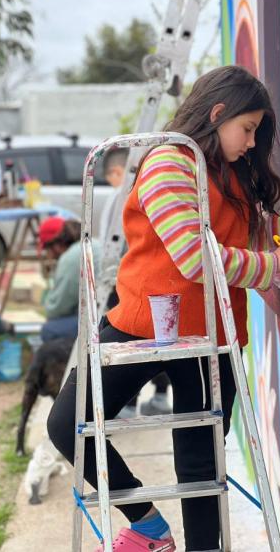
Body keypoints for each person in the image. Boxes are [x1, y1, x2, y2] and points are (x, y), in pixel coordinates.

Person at [47, 66, 280, 552]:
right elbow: (196, 255)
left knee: (200, 469)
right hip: (140, 321)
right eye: (247, 129)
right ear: (217, 113)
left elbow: (244, 230)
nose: (251, 142)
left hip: (209, 333)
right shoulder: (169, 164)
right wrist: (271, 264)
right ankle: (148, 523)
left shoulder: (230, 171)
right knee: (67, 424)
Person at [100, 148, 172, 419]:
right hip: (149, 281)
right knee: (157, 341)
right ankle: (158, 397)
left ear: (118, 172)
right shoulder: (140, 191)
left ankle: (129, 404)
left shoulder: (123, 196)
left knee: (133, 344)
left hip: (127, 281)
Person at [39, 217, 101, 343]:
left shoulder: (70, 258)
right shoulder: (92, 243)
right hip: (106, 311)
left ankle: (74, 362)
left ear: (56, 245)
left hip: (100, 320)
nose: (49, 255)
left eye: (48, 250)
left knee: (49, 330)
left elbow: (56, 308)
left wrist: (47, 300)